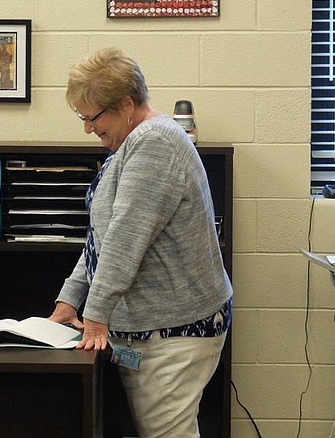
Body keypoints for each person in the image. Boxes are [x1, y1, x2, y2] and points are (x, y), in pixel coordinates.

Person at [48, 47, 233, 438]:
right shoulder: (130, 142)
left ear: (127, 104)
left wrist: (95, 316)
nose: (87, 128)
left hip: (175, 331)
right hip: (153, 328)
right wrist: (70, 300)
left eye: (93, 117)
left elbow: (124, 241)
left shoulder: (154, 144)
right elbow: (104, 235)